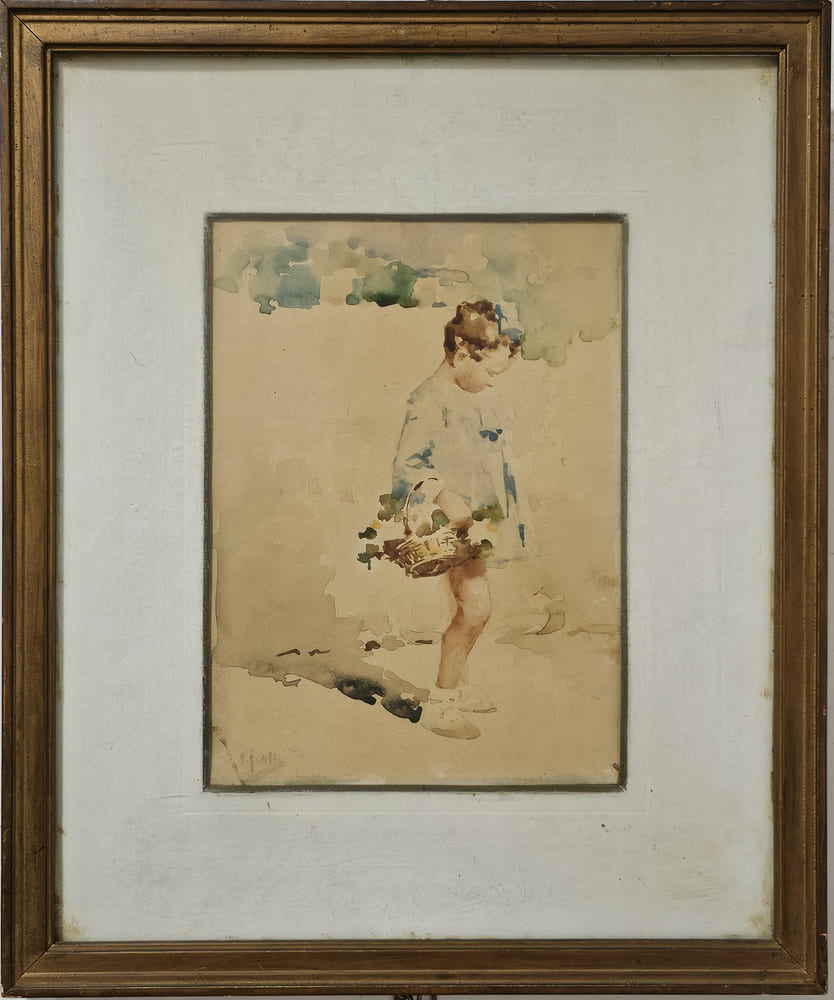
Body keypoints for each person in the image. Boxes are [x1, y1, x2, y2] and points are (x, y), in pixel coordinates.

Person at [391, 300, 529, 739]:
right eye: (491, 371)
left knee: (468, 605)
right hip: (456, 525)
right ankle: (442, 704)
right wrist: (446, 497)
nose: (493, 381)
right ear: (464, 353)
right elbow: (408, 466)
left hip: (478, 524)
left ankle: (460, 686)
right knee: (476, 609)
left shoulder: (470, 393)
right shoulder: (429, 399)